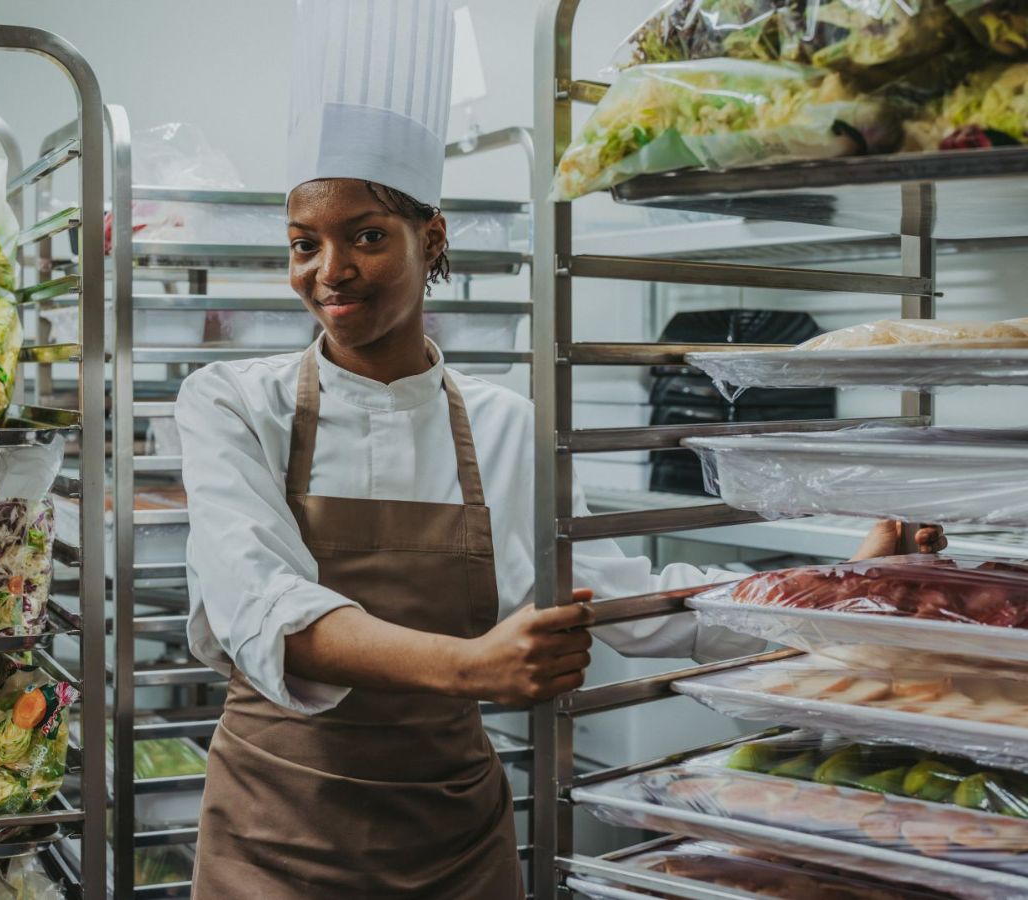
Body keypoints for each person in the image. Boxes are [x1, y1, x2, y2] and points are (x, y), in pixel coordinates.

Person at [178, 2, 946, 897]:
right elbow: (259, 602)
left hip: (451, 849)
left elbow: (633, 603)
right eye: (304, 244)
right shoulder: (231, 402)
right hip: (275, 840)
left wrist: (841, 589)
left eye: (366, 236)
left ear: (432, 240)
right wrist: (469, 665)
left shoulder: (505, 427)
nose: (329, 270)